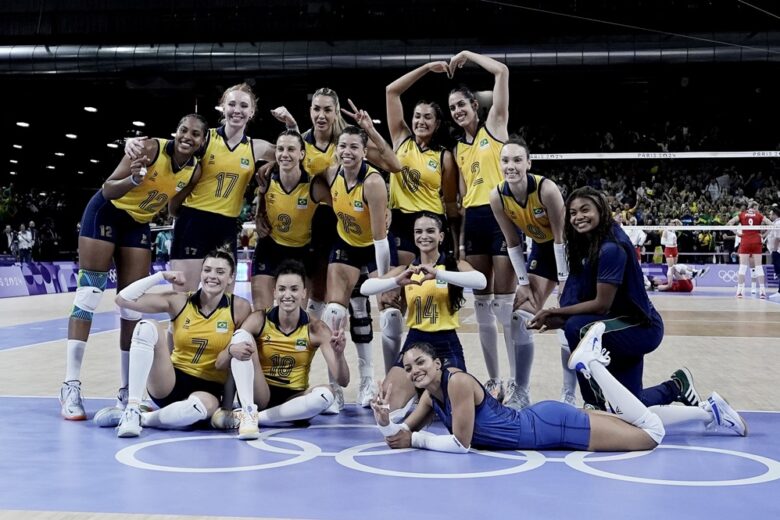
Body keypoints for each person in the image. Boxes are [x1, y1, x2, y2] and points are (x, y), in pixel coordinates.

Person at [371, 328, 745, 454]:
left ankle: (592, 365)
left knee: (651, 436)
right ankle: (709, 410)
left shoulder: (457, 384)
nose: (414, 371)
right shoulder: (429, 395)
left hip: (553, 427)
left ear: (437, 364)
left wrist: (414, 440)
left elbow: (460, 445)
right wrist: (387, 422)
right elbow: (403, 437)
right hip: (545, 424)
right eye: (408, 368)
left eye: (420, 363)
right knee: (631, 420)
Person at [60, 114, 207, 421]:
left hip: (138, 224)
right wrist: (136, 180)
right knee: (88, 296)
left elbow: (172, 208)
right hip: (106, 213)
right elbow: (109, 187)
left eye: (195, 134)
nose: (187, 137)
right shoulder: (151, 149)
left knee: (131, 305)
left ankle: (128, 391)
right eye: (183, 130)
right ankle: (70, 386)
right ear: (176, 131)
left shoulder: (194, 170)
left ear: (202, 141)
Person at [527, 187, 699, 411]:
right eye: (573, 213)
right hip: (612, 326)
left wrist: (556, 314)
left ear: (600, 210)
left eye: (585, 210)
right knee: (628, 407)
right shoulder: (584, 245)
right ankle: (677, 386)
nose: (578, 217)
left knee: (577, 329)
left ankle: (593, 405)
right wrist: (558, 317)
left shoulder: (611, 248)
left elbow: (601, 305)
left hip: (639, 327)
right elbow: (578, 298)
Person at [268, 89, 384, 410]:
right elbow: (284, 161)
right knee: (322, 310)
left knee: (359, 309)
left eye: (327, 110)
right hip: (311, 236)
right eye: (316, 109)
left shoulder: (346, 144)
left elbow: (388, 162)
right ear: (311, 111)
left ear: (335, 113)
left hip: (347, 230)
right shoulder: (301, 142)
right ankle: (331, 384)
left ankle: (367, 380)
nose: (321, 115)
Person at [126, 83, 276, 292]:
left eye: (243, 105)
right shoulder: (205, 138)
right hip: (193, 221)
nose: (237, 110)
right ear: (223, 107)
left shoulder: (256, 147)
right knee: (183, 294)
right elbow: (173, 146)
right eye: (231, 104)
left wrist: (291, 130)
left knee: (223, 298)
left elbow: (293, 153)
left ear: (251, 112)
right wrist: (134, 143)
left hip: (227, 226)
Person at [95, 248, 253, 438]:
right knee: (146, 326)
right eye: (208, 270)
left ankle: (143, 419)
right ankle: (133, 408)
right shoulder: (180, 301)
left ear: (230, 278)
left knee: (197, 409)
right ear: (201, 272)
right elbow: (123, 299)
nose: (212, 276)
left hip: (209, 389)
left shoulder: (239, 307)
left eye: (220, 272)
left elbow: (238, 357)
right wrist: (161, 275)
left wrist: (227, 406)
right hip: (170, 381)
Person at [318, 100, 402, 412]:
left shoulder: (374, 182)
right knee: (335, 313)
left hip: (376, 246)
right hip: (346, 243)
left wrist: (383, 282)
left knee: (388, 312)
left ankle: (372, 381)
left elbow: (381, 240)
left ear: (365, 153)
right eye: (343, 146)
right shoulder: (330, 174)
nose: (348, 152)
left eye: (355, 147)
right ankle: (336, 388)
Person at [360, 212, 486, 416]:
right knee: (385, 409)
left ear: (441, 236)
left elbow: (481, 281)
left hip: (446, 343)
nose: (424, 236)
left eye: (430, 231)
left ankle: (426, 394)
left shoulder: (454, 265)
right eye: (418, 232)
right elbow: (366, 287)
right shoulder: (407, 269)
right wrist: (396, 281)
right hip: (415, 341)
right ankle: (417, 392)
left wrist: (438, 273)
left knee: (457, 410)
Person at [211, 259, 349, 436]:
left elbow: (343, 381)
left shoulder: (316, 329)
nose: (287, 295)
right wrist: (231, 350)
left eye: (294, 289)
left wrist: (339, 355)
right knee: (241, 337)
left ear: (303, 293)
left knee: (326, 395)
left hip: (294, 400)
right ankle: (248, 409)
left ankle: (252, 418)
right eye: (282, 289)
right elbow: (220, 364)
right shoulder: (259, 319)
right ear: (274, 292)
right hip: (261, 394)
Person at [488, 137, 576, 409]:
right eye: (505, 160)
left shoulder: (546, 190)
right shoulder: (497, 196)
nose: (510, 166)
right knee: (520, 315)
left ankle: (569, 394)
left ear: (528, 163)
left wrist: (564, 281)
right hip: (541, 249)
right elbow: (512, 242)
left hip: (570, 251)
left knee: (569, 321)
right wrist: (523, 283)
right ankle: (522, 392)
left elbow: (561, 239)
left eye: (517, 160)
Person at [448, 50, 515, 401]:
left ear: (475, 105)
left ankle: (517, 381)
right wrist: (459, 242)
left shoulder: (496, 126)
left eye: (462, 104)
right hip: (474, 221)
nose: (458, 111)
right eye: (453, 108)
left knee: (506, 307)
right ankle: (494, 380)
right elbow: (460, 200)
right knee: (483, 307)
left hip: (502, 215)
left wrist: (468, 56)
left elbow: (502, 71)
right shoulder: (459, 149)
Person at [251, 131, 328, 311]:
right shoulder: (266, 177)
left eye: (291, 149)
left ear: (301, 154)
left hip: (302, 252)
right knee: (261, 313)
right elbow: (262, 199)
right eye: (280, 149)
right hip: (270, 248)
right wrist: (258, 216)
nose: (285, 154)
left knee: (295, 317)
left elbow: (341, 204)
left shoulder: (314, 186)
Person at [727, 201, 767, 298]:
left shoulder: (742, 214)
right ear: (753, 207)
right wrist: (765, 235)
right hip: (756, 241)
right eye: (757, 207)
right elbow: (771, 224)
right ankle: (762, 292)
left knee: (743, 267)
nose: (758, 209)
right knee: (758, 267)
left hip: (745, 241)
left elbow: (729, 223)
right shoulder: (759, 215)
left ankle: (739, 291)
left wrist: (737, 233)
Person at [660, 219, 681, 284]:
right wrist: (671, 242)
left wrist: (678, 220)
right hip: (669, 249)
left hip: (675, 249)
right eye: (672, 223)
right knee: (671, 267)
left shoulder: (673, 230)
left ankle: (676, 282)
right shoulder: (665, 231)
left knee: (675, 267)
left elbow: (681, 226)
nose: (673, 224)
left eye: (673, 223)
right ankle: (669, 283)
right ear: (668, 224)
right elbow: (662, 242)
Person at [768, 205, 780, 300]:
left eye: (770, 213)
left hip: (778, 251)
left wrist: (775, 251)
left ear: (775, 214)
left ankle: (779, 292)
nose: (769, 215)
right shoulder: (775, 223)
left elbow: (777, 238)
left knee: (779, 272)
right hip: (776, 251)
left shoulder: (778, 223)